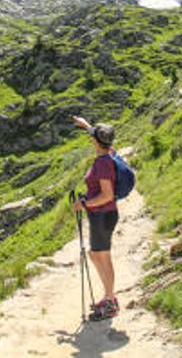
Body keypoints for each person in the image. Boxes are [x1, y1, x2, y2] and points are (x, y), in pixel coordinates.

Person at [72, 116, 120, 320]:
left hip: (102, 215)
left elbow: (107, 195)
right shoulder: (110, 153)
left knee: (101, 257)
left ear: (96, 142)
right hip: (104, 215)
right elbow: (104, 138)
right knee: (97, 255)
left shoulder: (102, 163)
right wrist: (87, 126)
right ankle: (109, 297)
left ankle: (110, 301)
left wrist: (82, 204)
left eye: (93, 137)